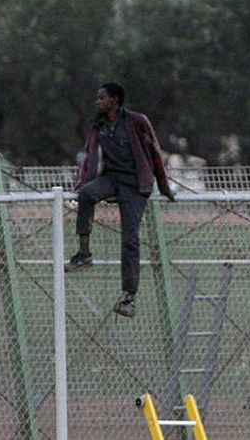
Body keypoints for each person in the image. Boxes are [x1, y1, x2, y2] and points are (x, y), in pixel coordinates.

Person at [66, 82, 175, 318]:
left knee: (130, 239)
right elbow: (90, 155)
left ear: (115, 100)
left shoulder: (137, 122)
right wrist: (83, 180)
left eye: (101, 97)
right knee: (86, 195)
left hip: (135, 185)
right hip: (111, 178)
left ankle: (129, 297)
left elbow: (154, 153)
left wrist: (163, 186)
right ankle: (84, 253)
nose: (97, 102)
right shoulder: (98, 125)